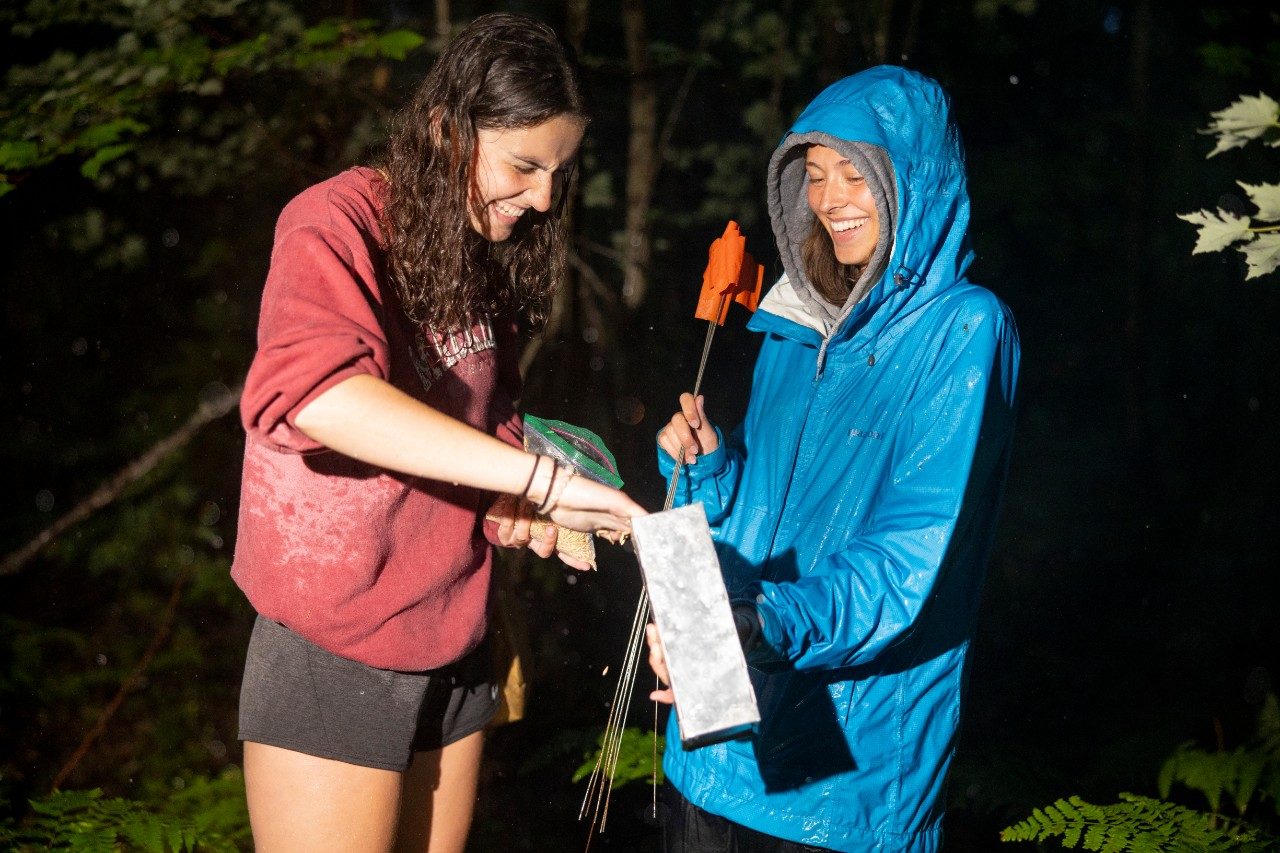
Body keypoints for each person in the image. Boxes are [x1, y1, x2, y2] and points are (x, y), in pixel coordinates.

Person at [230, 14, 644, 853]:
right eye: (524, 165)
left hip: (452, 635)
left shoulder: (473, 252)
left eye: (557, 174)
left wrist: (525, 488)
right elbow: (319, 395)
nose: (542, 199)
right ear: (446, 127)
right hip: (337, 641)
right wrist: (544, 484)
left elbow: (478, 426)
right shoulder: (336, 224)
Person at [648, 66, 1020, 852]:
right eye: (815, 175)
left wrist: (758, 623)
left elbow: (908, 564)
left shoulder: (962, 331)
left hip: (846, 786)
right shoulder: (793, 319)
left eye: (857, 172)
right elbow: (757, 522)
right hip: (712, 755)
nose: (832, 198)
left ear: (910, 180)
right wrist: (713, 473)